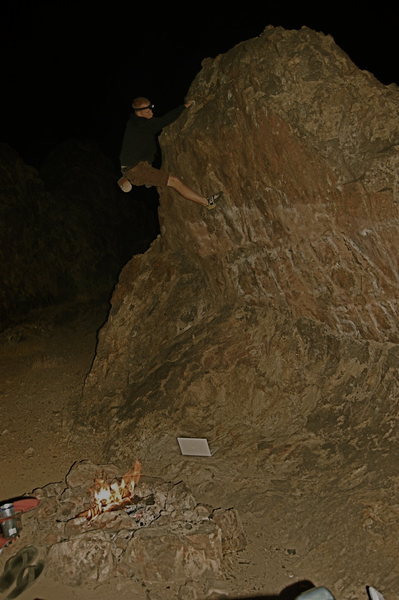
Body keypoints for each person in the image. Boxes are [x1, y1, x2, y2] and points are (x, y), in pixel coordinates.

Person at [118, 97, 222, 210]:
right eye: (148, 111)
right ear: (139, 112)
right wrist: (184, 107)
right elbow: (165, 120)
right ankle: (207, 203)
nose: (151, 112)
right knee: (174, 181)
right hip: (137, 170)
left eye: (151, 108)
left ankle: (130, 178)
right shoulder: (143, 125)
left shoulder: (134, 122)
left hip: (135, 166)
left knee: (147, 159)